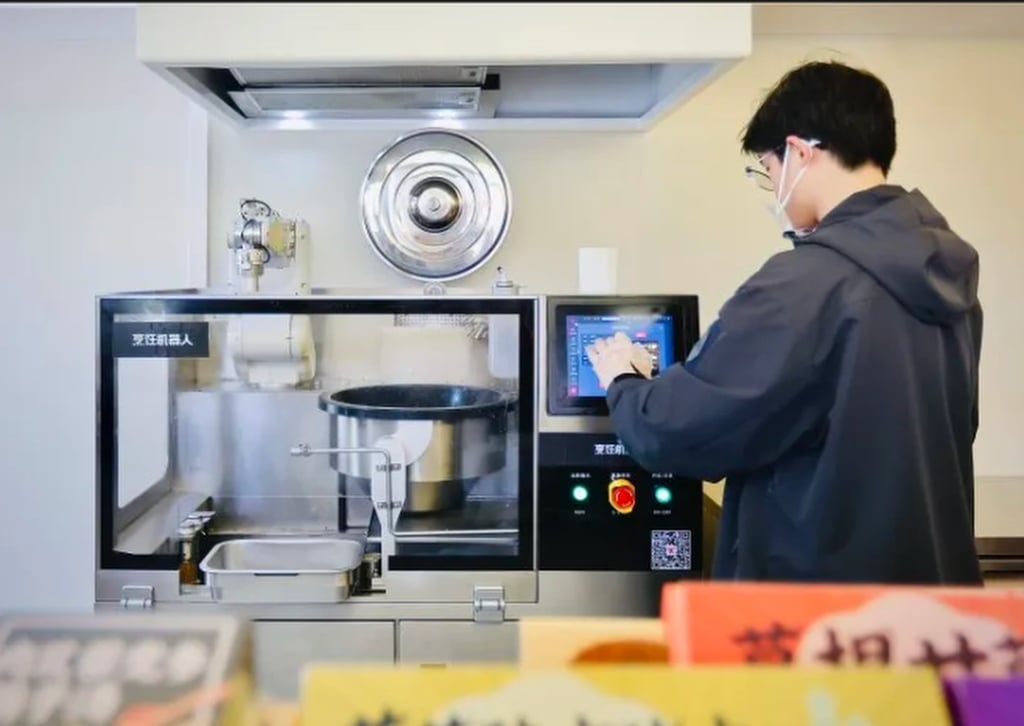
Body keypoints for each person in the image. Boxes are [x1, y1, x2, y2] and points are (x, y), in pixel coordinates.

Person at [585, 60, 983, 585]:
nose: (772, 188)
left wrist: (624, 379)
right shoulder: (948, 277)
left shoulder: (804, 284)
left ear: (799, 152)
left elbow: (681, 432)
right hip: (928, 601)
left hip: (819, 607)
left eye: (767, 170)